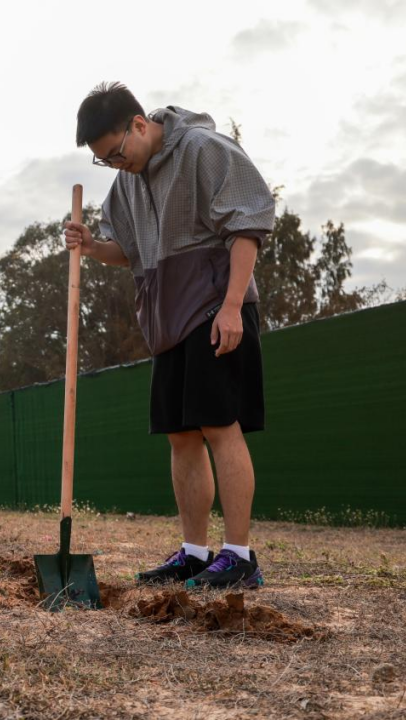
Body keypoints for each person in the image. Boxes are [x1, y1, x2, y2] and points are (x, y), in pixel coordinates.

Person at [64, 82, 275, 589]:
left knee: (220, 425)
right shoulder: (129, 182)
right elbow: (129, 251)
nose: (117, 165)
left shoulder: (205, 150)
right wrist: (94, 246)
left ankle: (240, 556)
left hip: (213, 308)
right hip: (167, 321)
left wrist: (230, 309)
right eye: (105, 162)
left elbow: (248, 225)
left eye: (117, 153)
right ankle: (195, 553)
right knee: (181, 438)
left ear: (140, 124)